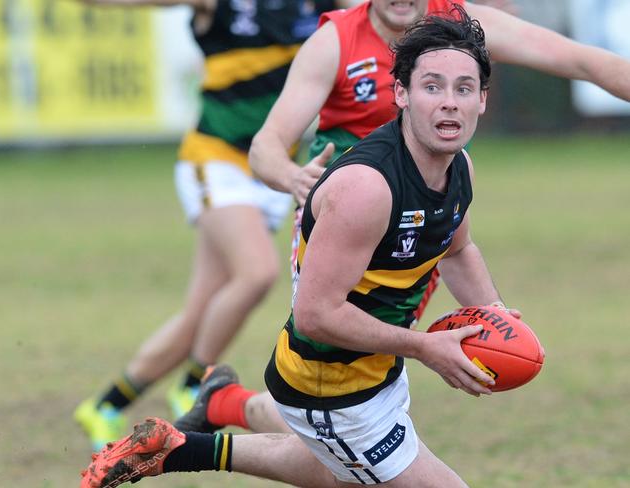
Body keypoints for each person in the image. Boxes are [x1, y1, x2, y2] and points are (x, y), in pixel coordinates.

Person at [81, 8, 514, 487]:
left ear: (482, 101)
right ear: (401, 94)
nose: (449, 103)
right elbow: (315, 315)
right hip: (328, 386)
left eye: (463, 89)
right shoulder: (365, 189)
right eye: (432, 86)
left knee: (338, 476)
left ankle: (189, 437)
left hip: (377, 374)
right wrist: (424, 347)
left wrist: (496, 315)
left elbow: (457, 249)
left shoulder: (459, 169)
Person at [182, 0, 630, 437]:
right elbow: (266, 148)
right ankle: (231, 411)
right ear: (402, 90)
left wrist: (492, 311)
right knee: (336, 375)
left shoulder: (460, 27)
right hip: (346, 223)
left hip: (424, 220)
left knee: (362, 386)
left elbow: (585, 62)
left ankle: (226, 404)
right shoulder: (335, 40)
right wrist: (296, 178)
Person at [73, 0, 357, 452]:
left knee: (202, 312)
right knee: (257, 273)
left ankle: (105, 405)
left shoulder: (325, 7)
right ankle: (196, 384)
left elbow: (391, 14)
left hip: (269, 170)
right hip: (216, 158)